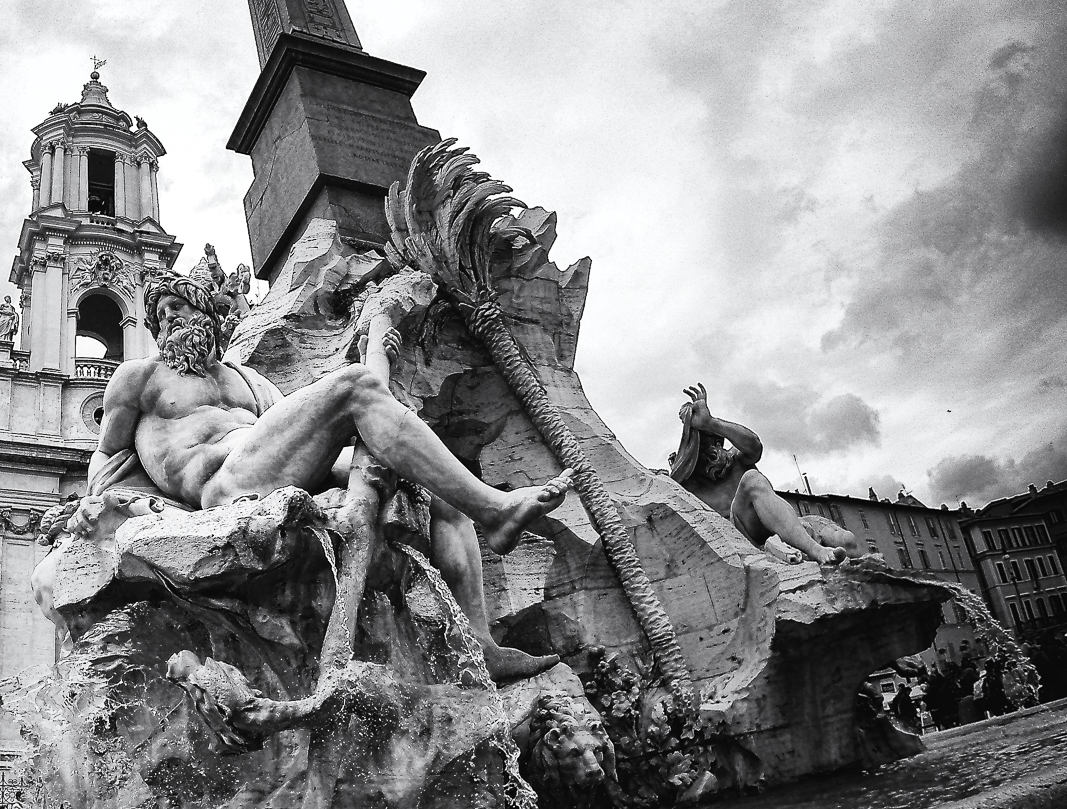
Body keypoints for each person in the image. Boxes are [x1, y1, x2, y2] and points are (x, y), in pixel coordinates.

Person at [72, 272, 573, 679]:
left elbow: (292, 431)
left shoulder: (249, 380)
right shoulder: (140, 375)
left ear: (207, 312)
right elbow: (107, 459)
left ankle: (480, 642)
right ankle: (496, 511)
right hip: (224, 485)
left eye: (176, 309)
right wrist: (120, 510)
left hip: (274, 470)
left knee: (426, 483)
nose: (166, 323)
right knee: (356, 385)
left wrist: (376, 347)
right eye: (158, 317)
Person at [669, 384, 857, 565]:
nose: (716, 446)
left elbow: (755, 445)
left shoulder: (736, 458)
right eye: (708, 440)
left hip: (783, 525)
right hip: (742, 535)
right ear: (694, 448)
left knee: (846, 540)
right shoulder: (688, 484)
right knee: (752, 479)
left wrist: (711, 423)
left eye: (718, 440)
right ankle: (816, 551)